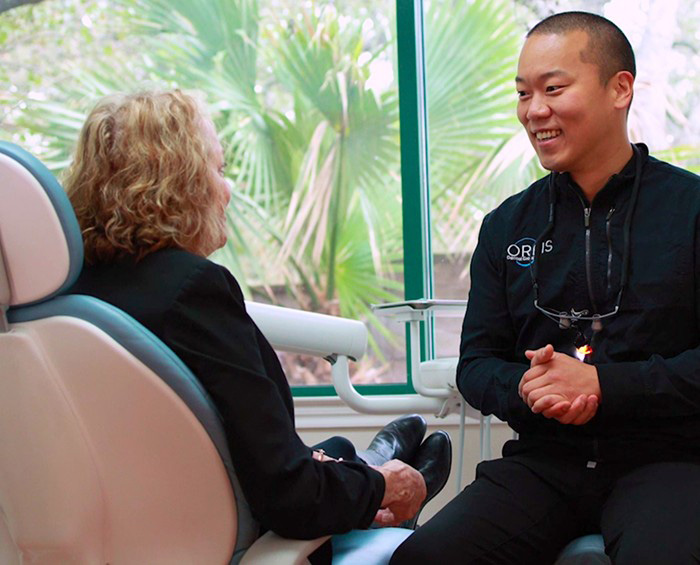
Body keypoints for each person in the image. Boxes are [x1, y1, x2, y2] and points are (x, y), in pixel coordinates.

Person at [63, 90, 451, 561]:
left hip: (132, 524)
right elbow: (289, 497)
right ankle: (390, 488)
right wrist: (382, 487)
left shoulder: (70, 299)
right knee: (379, 477)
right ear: (181, 182)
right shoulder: (193, 292)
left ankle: (362, 463)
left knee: (335, 446)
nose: (226, 191)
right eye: (219, 171)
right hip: (224, 530)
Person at [391, 11, 700, 565]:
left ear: (619, 89)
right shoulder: (508, 225)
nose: (534, 111)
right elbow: (478, 363)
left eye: (553, 89)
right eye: (523, 93)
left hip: (668, 463)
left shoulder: (691, 211)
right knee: (424, 558)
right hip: (544, 464)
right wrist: (534, 390)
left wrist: (605, 386)